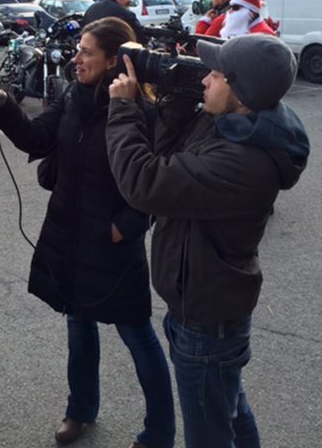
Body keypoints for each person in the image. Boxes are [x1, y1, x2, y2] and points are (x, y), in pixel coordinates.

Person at [0, 17, 174, 448]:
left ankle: (159, 430)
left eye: (86, 52)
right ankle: (80, 409)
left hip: (114, 243)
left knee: (138, 334)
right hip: (69, 233)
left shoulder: (141, 109)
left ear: (113, 61)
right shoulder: (71, 95)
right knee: (78, 327)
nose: (76, 58)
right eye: (77, 49)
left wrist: (128, 226)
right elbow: (37, 138)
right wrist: (2, 103)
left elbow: (154, 181)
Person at [106, 34, 310, 448]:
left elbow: (145, 182)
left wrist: (124, 109)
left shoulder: (242, 161)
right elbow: (168, 155)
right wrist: (174, 103)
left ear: (238, 90)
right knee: (230, 409)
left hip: (207, 321)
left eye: (214, 74)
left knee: (209, 434)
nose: (203, 81)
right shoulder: (235, 125)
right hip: (204, 304)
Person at [202, 0, 276, 39]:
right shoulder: (241, 27)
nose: (230, 11)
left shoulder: (264, 34)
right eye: (230, 7)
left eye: (235, 8)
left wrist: (203, 22)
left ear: (252, 12)